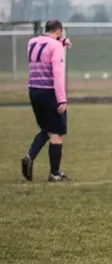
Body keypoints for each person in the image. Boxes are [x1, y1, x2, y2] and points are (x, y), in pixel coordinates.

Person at [21, 20, 72, 182]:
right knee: (57, 132)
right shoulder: (55, 46)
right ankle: (54, 173)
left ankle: (29, 156)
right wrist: (61, 100)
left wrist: (62, 42)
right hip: (49, 92)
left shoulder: (32, 42)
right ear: (59, 30)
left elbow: (46, 47)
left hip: (34, 90)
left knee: (46, 128)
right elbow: (57, 73)